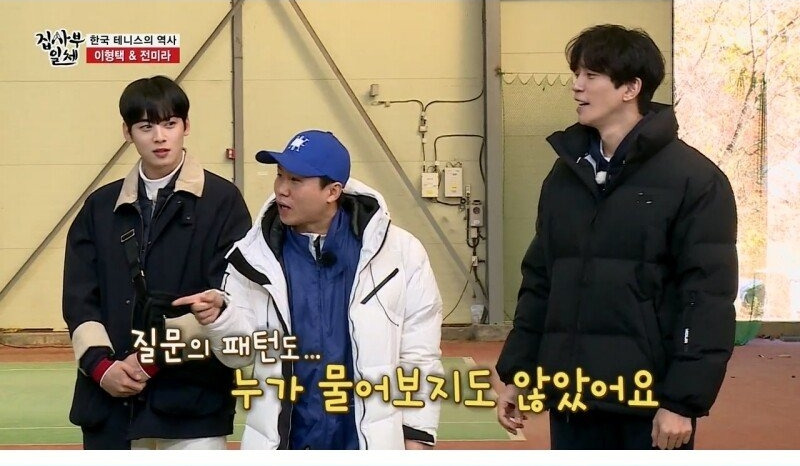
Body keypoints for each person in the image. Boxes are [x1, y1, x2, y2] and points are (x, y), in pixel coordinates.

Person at [495, 24, 738, 450]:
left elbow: (706, 300)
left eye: (591, 75)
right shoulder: (565, 177)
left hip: (649, 406)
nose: (576, 86)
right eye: (576, 74)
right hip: (573, 398)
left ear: (631, 88)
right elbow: (541, 281)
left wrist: (682, 401)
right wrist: (518, 372)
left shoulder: (694, 180)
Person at [174, 129, 444, 449]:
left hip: (365, 443)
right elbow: (239, 356)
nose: (281, 189)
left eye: (296, 180)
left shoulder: (400, 254)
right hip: (285, 442)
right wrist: (221, 318)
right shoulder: (253, 257)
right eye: (279, 175)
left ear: (332, 191)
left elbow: (419, 354)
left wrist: (417, 434)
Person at [62, 75, 251, 449]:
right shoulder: (99, 207)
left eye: (170, 124)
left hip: (191, 408)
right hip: (109, 408)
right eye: (146, 127)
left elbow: (227, 298)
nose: (160, 137)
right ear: (127, 132)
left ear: (186, 126)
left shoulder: (222, 202)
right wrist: (102, 368)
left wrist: (148, 360)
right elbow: (80, 300)